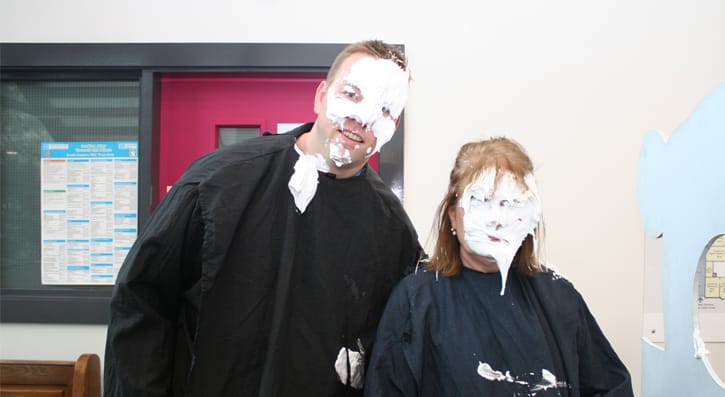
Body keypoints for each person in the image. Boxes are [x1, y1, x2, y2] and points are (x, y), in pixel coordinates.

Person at [104, 40, 423, 397]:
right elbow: (142, 302)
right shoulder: (217, 183)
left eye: (383, 109)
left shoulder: (393, 231)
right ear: (321, 96)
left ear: (393, 125)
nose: (361, 118)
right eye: (352, 94)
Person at [364, 137, 634, 396]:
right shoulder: (417, 302)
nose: (497, 219)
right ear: (453, 216)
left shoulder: (559, 297)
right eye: (481, 201)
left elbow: (611, 386)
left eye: (512, 203)